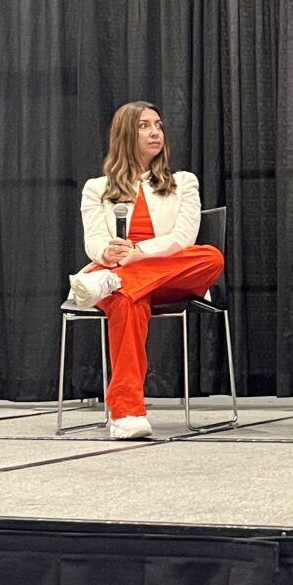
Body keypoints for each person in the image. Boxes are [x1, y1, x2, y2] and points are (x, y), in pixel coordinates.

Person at [77, 101, 224, 440]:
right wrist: (107, 251)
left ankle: (111, 281)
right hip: (120, 276)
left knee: (210, 257)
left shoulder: (183, 182)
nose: (155, 132)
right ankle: (127, 413)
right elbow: (94, 240)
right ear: (125, 134)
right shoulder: (97, 188)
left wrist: (137, 253)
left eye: (158, 125)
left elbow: (183, 238)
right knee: (126, 300)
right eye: (144, 126)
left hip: (168, 276)